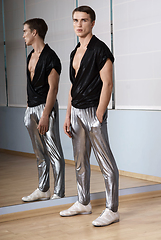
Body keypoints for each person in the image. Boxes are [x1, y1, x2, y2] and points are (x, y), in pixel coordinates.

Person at [60, 6, 119, 227]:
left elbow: (108, 84)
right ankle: (83, 202)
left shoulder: (100, 49)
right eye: (75, 20)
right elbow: (73, 87)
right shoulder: (74, 52)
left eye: (84, 20)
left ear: (92, 23)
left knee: (105, 162)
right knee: (80, 161)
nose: (79, 24)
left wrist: (99, 115)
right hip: (76, 112)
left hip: (93, 111)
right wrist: (67, 115)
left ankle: (112, 209)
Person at [22, 18, 65, 201]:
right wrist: (27, 108)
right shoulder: (30, 56)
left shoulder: (51, 58)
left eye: (25, 31)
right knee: (39, 153)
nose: (23, 35)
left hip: (46, 110)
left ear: (34, 33)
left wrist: (45, 115)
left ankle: (58, 192)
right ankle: (43, 189)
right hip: (31, 109)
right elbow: (30, 85)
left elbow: (53, 89)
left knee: (54, 152)